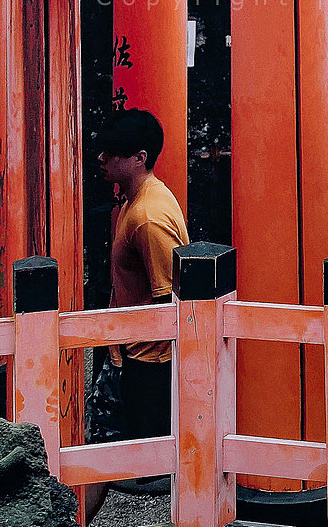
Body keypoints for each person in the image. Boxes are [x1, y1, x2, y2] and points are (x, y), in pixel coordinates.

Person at [86, 109, 189, 522]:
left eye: (111, 153)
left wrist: (129, 357)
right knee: (102, 452)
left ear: (139, 158)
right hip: (129, 354)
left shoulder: (148, 217)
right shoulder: (137, 202)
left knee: (104, 454)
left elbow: (169, 298)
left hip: (143, 360)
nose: (101, 158)